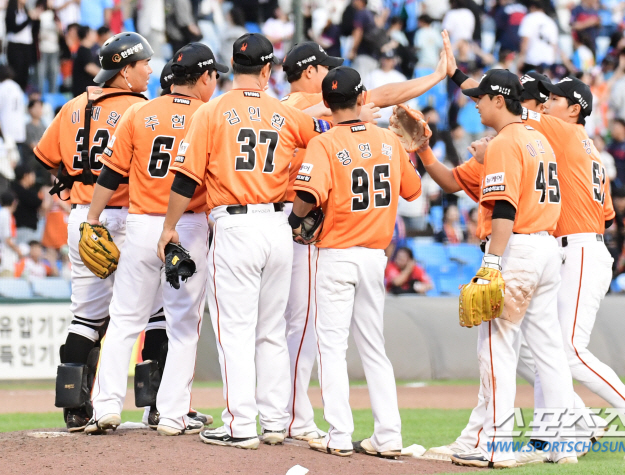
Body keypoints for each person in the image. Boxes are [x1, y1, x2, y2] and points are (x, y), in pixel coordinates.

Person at [156, 33, 331, 450]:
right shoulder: (284, 112)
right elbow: (324, 138)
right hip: (278, 225)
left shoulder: (212, 110)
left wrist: (168, 227)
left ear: (231, 67)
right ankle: (274, 421)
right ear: (268, 70)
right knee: (270, 331)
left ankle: (239, 424)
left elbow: (186, 177)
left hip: (235, 226)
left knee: (235, 331)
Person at [279, 38, 447, 441]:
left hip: (331, 249)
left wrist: (293, 223)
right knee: (373, 346)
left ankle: (337, 433)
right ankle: (388, 434)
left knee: (329, 347)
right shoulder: (386, 140)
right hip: (374, 254)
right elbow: (412, 192)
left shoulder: (324, 139)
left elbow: (305, 197)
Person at [415, 65, 577, 467]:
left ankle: (494, 446)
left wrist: (491, 261)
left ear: (498, 100)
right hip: (545, 249)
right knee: (548, 351)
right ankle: (559, 444)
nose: (476, 105)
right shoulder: (537, 138)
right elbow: (455, 181)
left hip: (516, 248)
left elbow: (504, 206)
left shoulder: (504, 143)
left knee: (496, 348)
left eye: (481, 98)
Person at [513, 73, 625, 461]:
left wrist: (458, 77)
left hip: (580, 250)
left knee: (568, 351)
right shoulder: (589, 147)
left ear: (575, 108)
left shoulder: (566, 133)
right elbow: (610, 216)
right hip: (577, 248)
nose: (548, 102)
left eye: (556, 98)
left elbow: (510, 109)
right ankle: (570, 428)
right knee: (547, 348)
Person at [86, 43, 226, 436]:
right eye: (214, 76)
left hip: (142, 223)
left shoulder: (139, 111)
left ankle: (106, 408)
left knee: (126, 320)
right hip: (188, 226)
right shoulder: (209, 115)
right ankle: (171, 414)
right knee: (182, 325)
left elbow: (110, 174)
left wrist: (93, 218)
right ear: (204, 78)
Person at [33, 31, 164, 433]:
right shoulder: (141, 108)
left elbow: (46, 158)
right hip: (128, 216)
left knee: (86, 317)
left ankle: (75, 407)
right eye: (143, 64)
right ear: (124, 70)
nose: (149, 70)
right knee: (155, 312)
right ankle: (159, 406)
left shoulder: (72, 106)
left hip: (82, 217)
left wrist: (72, 181)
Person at [5, 0, 41, 91]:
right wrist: (29, 18)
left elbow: (34, 30)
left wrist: (36, 19)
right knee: (17, 72)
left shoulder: (26, 11)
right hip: (15, 46)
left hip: (27, 45)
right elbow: (13, 28)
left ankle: (23, 91)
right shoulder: (11, 11)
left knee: (25, 72)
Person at [517, 1, 558, 71]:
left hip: (532, 62)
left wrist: (521, 58)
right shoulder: (550, 22)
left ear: (532, 6)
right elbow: (554, 46)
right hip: (547, 63)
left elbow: (525, 40)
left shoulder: (529, 18)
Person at [10, 166, 44, 245]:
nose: (34, 177)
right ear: (26, 176)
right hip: (23, 229)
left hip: (21, 229)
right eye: (32, 174)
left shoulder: (15, 188)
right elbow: (41, 204)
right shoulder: (21, 191)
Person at [37, 0, 61, 94]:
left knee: (54, 73)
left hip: (54, 48)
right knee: (41, 73)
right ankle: (41, 93)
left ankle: (53, 93)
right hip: (42, 48)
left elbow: (60, 32)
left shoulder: (55, 16)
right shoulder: (40, 15)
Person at [72, 26, 100, 98]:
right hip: (84, 94)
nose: (95, 35)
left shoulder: (88, 51)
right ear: (87, 34)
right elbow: (90, 68)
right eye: (93, 32)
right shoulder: (84, 51)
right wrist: (107, 75)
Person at [0, 192, 21, 277]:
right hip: (5, 256)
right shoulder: (5, 215)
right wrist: (18, 250)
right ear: (14, 202)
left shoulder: (5, 214)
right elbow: (7, 239)